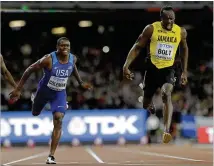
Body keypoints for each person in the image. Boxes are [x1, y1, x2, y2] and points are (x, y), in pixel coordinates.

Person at [9, 37, 92, 164]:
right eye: (62, 46)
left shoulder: (73, 58)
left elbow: (73, 67)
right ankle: (34, 100)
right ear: (57, 47)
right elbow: (29, 69)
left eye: (67, 46)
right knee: (35, 113)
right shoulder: (48, 59)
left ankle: (51, 156)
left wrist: (80, 82)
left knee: (58, 118)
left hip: (59, 93)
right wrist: (18, 89)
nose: (65, 48)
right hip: (44, 92)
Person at [122, 6, 188, 144]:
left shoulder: (180, 31)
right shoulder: (151, 29)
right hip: (152, 69)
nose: (169, 21)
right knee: (145, 103)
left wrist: (184, 71)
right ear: (161, 18)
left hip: (169, 69)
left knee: (166, 93)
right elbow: (137, 46)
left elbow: (184, 49)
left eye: (172, 18)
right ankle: (150, 105)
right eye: (167, 19)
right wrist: (126, 65)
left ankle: (166, 130)